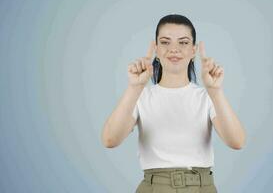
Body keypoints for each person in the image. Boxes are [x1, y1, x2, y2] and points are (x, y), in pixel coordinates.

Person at [101, 14, 246, 193]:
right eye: (165, 42)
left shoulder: (207, 96)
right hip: (154, 187)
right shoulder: (140, 96)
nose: (174, 49)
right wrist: (134, 87)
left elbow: (237, 141)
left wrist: (216, 91)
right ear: (156, 48)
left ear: (194, 50)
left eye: (183, 42)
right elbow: (110, 140)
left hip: (201, 187)